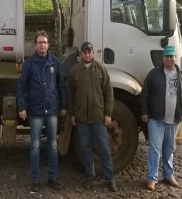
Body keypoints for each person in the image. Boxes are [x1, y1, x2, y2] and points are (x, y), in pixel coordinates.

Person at [141, 45, 182, 191]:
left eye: (172, 56)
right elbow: (145, 94)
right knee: (155, 149)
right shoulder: (153, 74)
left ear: (175, 58)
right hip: (156, 119)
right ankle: (152, 178)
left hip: (174, 120)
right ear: (163, 58)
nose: (169, 59)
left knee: (169, 149)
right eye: (167, 56)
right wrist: (144, 112)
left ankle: (168, 175)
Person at [17, 30, 67, 193]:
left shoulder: (54, 62)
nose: (43, 45)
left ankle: (53, 178)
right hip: (36, 112)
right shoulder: (29, 63)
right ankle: (36, 180)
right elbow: (21, 86)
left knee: (53, 146)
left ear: (48, 45)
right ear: (35, 45)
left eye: (45, 42)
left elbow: (61, 85)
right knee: (35, 146)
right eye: (40, 42)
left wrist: (63, 105)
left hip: (52, 110)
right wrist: (22, 107)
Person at [67, 41, 117, 192]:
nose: (87, 54)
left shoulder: (100, 69)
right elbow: (70, 94)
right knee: (86, 150)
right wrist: (72, 114)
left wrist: (108, 113)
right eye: (84, 52)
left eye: (89, 52)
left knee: (103, 149)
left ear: (93, 53)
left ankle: (110, 179)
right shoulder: (75, 71)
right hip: (82, 119)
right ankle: (89, 177)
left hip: (98, 118)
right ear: (81, 54)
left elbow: (108, 92)